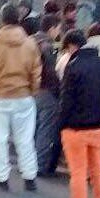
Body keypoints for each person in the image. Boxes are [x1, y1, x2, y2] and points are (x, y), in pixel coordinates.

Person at [0, 3, 42, 191]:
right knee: (25, 138)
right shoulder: (30, 43)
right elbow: (36, 71)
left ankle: (2, 178)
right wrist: (32, 91)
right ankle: (30, 177)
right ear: (19, 19)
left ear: (2, 19)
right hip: (24, 97)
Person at [55, 30, 100, 198]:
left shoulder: (74, 67)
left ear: (72, 46)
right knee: (98, 170)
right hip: (99, 126)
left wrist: (61, 124)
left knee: (78, 172)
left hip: (75, 128)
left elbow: (66, 101)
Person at [32, 14, 63, 177]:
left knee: (33, 128)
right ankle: (39, 165)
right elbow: (51, 72)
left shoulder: (29, 41)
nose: (59, 32)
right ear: (52, 28)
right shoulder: (47, 45)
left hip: (29, 90)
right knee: (45, 129)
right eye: (58, 28)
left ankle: (27, 163)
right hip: (46, 91)